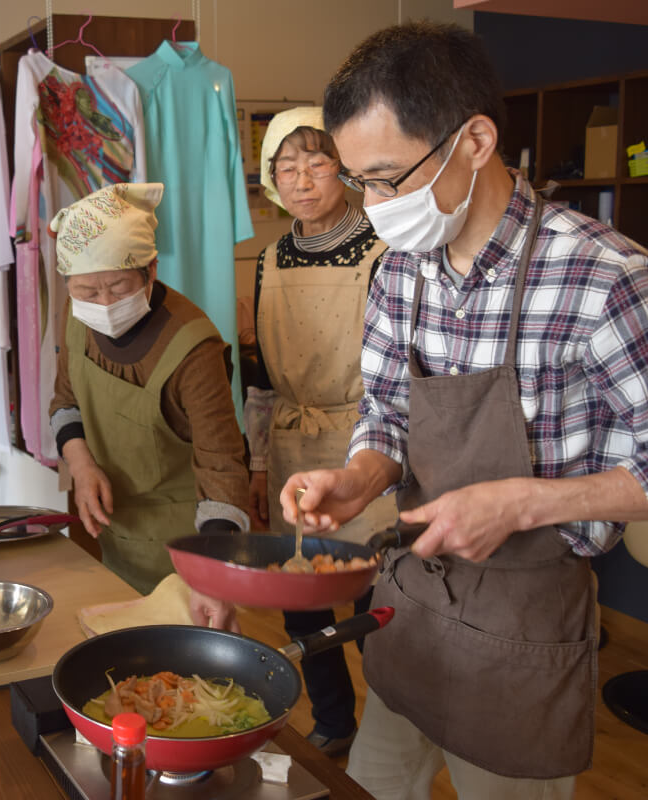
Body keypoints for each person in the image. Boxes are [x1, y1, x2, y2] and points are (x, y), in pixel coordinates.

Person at [281, 22, 648, 798]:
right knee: (371, 785)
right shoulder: (398, 273)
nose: (373, 206)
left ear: (474, 141)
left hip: (523, 622)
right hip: (412, 601)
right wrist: (357, 477)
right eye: (359, 181)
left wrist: (521, 504)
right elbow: (386, 408)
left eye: (387, 179)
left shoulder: (602, 278)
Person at [244, 106, 395, 757]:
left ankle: (392, 735)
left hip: (366, 440)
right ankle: (334, 721)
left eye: (317, 163)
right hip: (290, 442)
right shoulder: (270, 259)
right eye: (286, 167)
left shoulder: (385, 249)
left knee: (374, 601)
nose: (302, 180)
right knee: (301, 599)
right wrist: (257, 464)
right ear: (270, 179)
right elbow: (257, 375)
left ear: (345, 169)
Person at [48, 182, 253, 615]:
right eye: (87, 292)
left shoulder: (192, 348)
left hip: (186, 553)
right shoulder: (76, 316)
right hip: (115, 539)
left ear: (151, 270)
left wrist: (211, 573)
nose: (104, 303)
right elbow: (65, 402)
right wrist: (81, 465)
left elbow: (222, 466)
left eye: (119, 287)